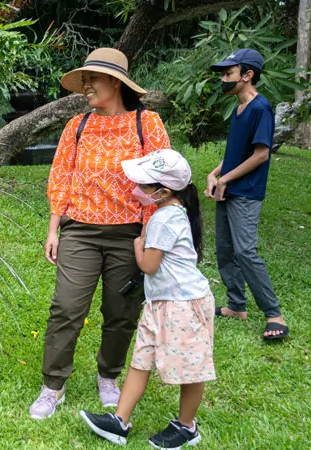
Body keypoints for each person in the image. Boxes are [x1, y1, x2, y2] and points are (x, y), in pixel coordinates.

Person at [29, 48, 171, 420]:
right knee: (66, 307)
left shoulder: (148, 124)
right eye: (85, 80)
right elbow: (61, 177)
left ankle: (108, 376)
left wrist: (151, 234)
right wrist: (53, 228)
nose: (87, 86)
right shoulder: (77, 126)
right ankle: (53, 386)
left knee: (121, 311)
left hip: (130, 235)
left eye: (93, 79)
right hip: (80, 233)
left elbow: (162, 180)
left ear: (115, 82)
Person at [80, 149, 214, 449]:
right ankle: (119, 422)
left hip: (183, 305)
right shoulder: (168, 212)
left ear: (163, 192)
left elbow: (149, 266)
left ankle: (187, 427)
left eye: (143, 186)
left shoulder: (164, 220)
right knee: (140, 362)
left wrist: (138, 244)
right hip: (160, 304)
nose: (135, 190)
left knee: (189, 369)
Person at [205, 48, 289, 340]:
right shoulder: (238, 108)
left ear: (247, 75)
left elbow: (261, 154)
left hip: (246, 192)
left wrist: (225, 178)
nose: (224, 79)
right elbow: (236, 152)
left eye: (229, 73)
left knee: (245, 251)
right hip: (228, 188)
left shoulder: (260, 108)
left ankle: (273, 314)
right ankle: (237, 305)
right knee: (225, 250)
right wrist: (215, 173)